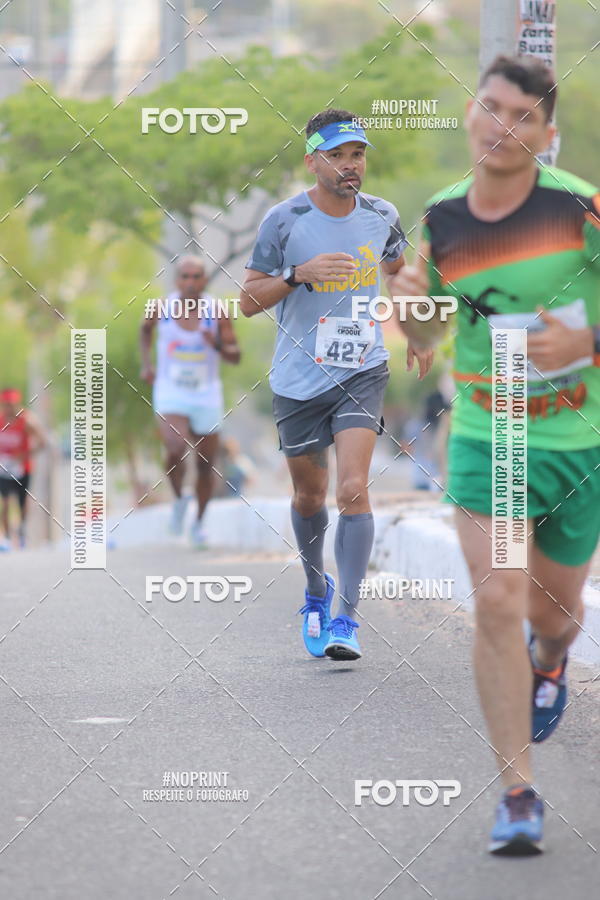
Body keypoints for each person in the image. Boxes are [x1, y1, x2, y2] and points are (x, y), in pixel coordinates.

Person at [393, 55, 600, 855]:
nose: (500, 125)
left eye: (521, 115)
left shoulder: (581, 207)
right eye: (490, 107)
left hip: (578, 439)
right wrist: (412, 317)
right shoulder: (442, 217)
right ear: (471, 114)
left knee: (552, 615)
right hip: (489, 433)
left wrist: (588, 340)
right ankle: (517, 791)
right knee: (499, 601)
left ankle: (551, 660)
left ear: (546, 134)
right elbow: (427, 335)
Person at [241, 108, 433, 661]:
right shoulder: (285, 219)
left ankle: (347, 619)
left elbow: (398, 272)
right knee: (309, 495)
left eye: (359, 155)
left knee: (353, 488)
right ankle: (315, 591)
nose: (352, 166)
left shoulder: (382, 214)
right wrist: (296, 275)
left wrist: (416, 328)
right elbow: (248, 300)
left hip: (362, 368)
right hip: (298, 380)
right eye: (339, 156)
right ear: (312, 161)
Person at [140, 256, 240, 546]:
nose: (191, 282)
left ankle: (198, 524)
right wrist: (147, 364)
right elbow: (144, 331)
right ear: (176, 280)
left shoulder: (218, 311)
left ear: (204, 281)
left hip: (206, 393)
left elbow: (235, 356)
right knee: (174, 446)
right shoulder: (160, 307)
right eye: (185, 276)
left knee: (206, 463)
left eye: (197, 277)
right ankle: (181, 498)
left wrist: (217, 345)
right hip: (171, 390)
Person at [0, 387, 47, 550]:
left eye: (11, 404)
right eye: (5, 404)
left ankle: (21, 532)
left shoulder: (26, 421)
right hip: (4, 469)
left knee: (22, 502)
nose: (9, 408)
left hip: (23, 469)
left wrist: (25, 454)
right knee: (4, 502)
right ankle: (6, 538)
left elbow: (43, 442)